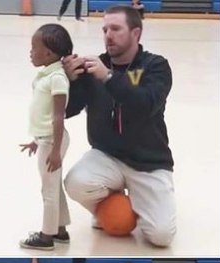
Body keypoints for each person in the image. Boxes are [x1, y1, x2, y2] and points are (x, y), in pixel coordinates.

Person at [62, 5, 175, 247]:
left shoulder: (156, 66)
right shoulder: (92, 68)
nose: (108, 35)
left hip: (149, 162)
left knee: (162, 236)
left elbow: (145, 105)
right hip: (107, 155)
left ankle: (140, 199)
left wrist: (109, 78)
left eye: (115, 29)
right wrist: (69, 82)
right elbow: (68, 111)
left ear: (136, 34)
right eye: (104, 29)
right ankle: (113, 203)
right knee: (75, 182)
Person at [19, 24, 74, 251]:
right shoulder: (46, 74)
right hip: (46, 139)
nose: (30, 51)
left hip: (53, 140)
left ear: (49, 54)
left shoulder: (57, 78)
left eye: (34, 47)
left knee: (48, 190)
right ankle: (60, 229)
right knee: (54, 186)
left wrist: (54, 149)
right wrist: (36, 139)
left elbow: (58, 117)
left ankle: (46, 236)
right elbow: (44, 113)